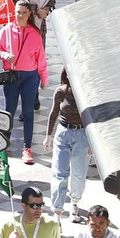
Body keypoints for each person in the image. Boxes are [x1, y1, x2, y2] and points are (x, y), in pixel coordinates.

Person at [0, 0, 48, 164]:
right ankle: (5, 141)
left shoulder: (35, 34)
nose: (20, 15)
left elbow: (41, 59)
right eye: (18, 12)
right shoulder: (7, 31)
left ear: (29, 14)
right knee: (8, 110)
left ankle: (27, 148)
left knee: (28, 113)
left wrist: (44, 78)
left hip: (30, 77)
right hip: (11, 75)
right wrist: (5, 56)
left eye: (24, 12)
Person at [44, 71, 90, 220]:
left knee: (79, 172)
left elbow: (94, 116)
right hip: (63, 132)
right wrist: (48, 136)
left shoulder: (86, 92)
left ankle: (75, 204)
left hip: (82, 134)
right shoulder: (61, 91)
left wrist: (93, 143)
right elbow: (54, 113)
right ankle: (57, 212)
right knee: (59, 173)